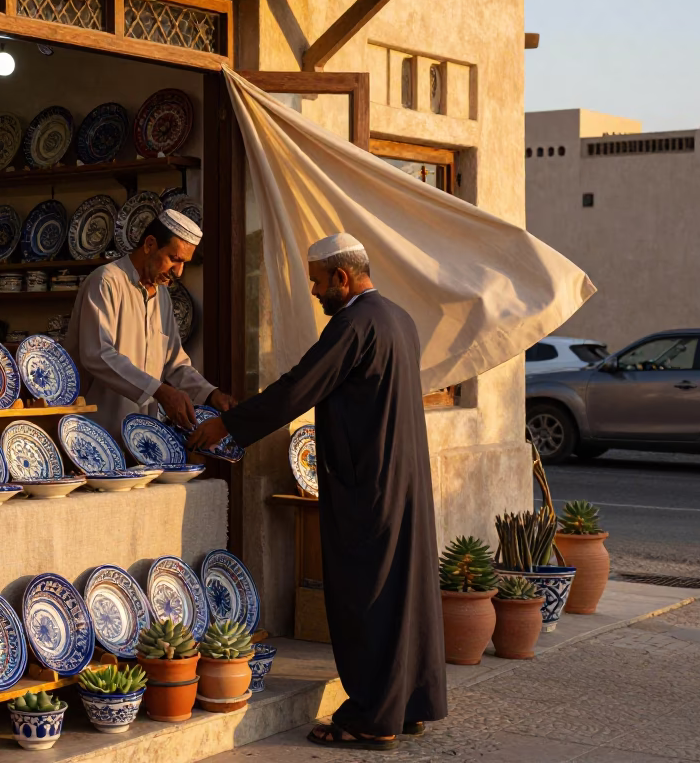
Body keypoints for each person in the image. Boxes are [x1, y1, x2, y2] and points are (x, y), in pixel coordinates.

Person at [188, 232, 446, 751]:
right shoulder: (398, 318)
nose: (315, 292)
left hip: (367, 486)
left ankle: (373, 718)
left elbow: (298, 386)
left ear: (342, 278)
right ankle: (409, 704)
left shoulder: (353, 324)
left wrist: (228, 426)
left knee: (365, 597)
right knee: (402, 593)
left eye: (318, 282)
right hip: (402, 480)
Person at [64, 208, 236, 440]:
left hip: (144, 437)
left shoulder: (162, 295)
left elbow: (174, 363)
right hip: (98, 434)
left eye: (184, 263)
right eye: (174, 259)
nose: (179, 271)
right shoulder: (106, 281)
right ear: (150, 244)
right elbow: (98, 354)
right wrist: (160, 391)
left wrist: (211, 394)